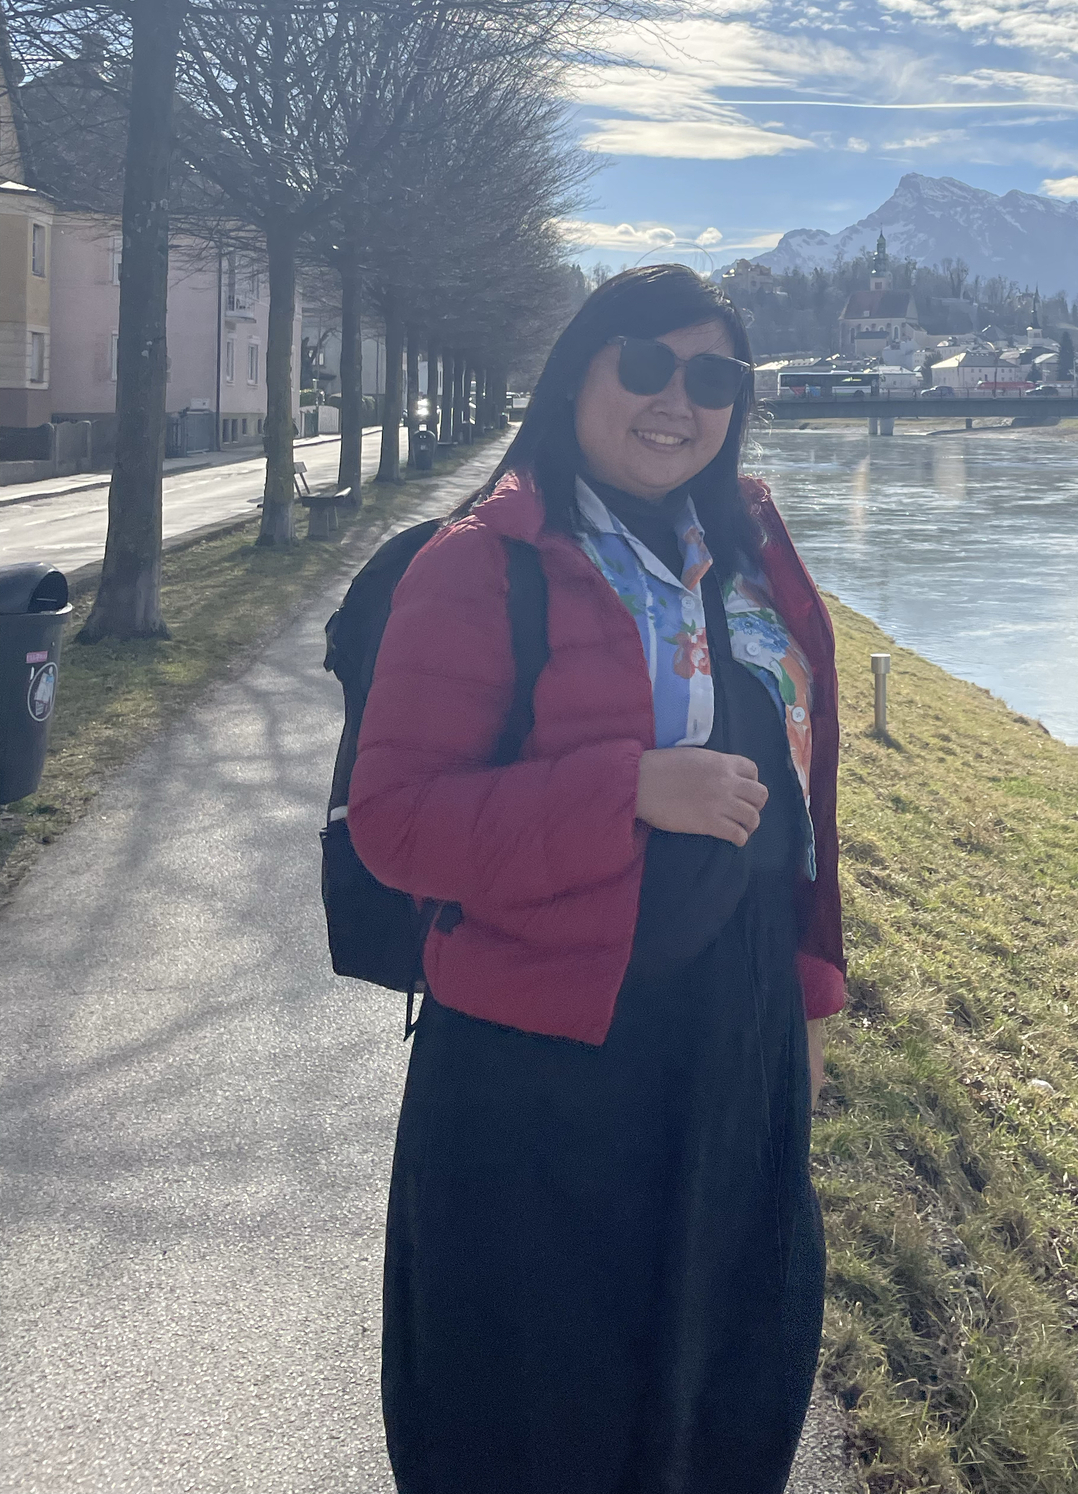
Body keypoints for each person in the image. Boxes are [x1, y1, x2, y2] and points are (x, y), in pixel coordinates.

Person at [348, 264, 844, 1494]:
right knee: (537, 1404)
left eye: (715, 378)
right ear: (578, 370)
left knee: (724, 1376)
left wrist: (813, 988)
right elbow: (397, 824)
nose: (679, 400)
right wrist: (625, 787)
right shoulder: (483, 563)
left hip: (731, 1043)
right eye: (646, 364)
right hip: (544, 1066)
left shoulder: (744, 554)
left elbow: (804, 800)